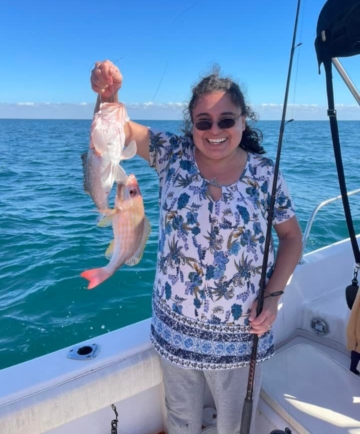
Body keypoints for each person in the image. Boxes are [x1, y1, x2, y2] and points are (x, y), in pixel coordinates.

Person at [90, 60, 303, 434]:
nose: (215, 130)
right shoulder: (170, 154)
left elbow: (291, 238)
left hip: (242, 335)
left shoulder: (265, 173)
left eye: (226, 120)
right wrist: (109, 96)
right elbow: (114, 135)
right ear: (192, 126)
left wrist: (272, 296)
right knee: (181, 420)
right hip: (176, 330)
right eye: (203, 121)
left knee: (236, 425)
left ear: (242, 121)